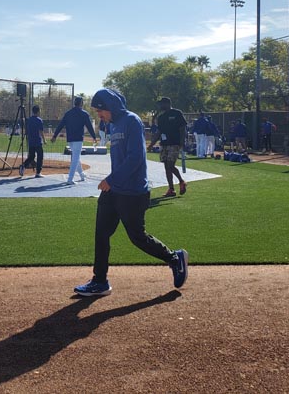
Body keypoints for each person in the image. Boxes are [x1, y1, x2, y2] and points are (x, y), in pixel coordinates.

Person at [73, 88, 188, 297]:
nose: (99, 115)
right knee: (101, 234)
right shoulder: (113, 123)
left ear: (110, 106)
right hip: (114, 190)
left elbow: (135, 158)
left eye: (100, 111)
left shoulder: (132, 121)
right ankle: (99, 281)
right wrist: (113, 181)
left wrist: (111, 179)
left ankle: (174, 258)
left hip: (133, 191)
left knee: (137, 237)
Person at [51, 96, 98, 185]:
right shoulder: (84, 114)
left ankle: (81, 175)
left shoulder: (68, 113)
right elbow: (89, 126)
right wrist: (94, 137)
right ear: (81, 103)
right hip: (78, 139)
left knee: (76, 157)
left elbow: (60, 125)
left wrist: (55, 136)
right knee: (75, 158)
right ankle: (70, 179)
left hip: (70, 139)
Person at [147, 97, 187, 197]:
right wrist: (151, 144)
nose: (160, 106)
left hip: (174, 143)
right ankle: (171, 189)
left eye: (162, 104)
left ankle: (181, 181)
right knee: (166, 167)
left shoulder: (177, 113)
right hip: (164, 144)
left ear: (167, 103)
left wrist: (182, 142)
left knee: (170, 165)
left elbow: (182, 128)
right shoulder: (161, 117)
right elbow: (159, 132)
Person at [21, 105, 45, 178]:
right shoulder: (39, 120)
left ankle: (23, 166)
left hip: (31, 141)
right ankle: (38, 172)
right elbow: (41, 131)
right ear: (38, 111)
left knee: (31, 156)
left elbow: (27, 130)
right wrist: (44, 140)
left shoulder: (29, 120)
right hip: (38, 141)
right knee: (40, 156)